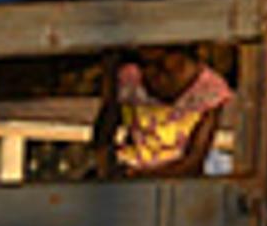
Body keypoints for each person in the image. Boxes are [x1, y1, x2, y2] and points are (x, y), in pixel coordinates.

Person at [92, 44, 229, 180]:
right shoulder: (130, 78)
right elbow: (104, 133)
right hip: (131, 171)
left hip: (178, 182)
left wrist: (139, 177)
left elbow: (193, 162)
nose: (153, 72)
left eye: (161, 62)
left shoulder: (210, 90)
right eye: (147, 64)